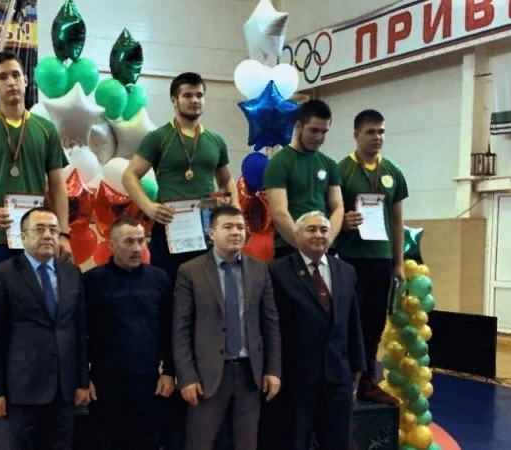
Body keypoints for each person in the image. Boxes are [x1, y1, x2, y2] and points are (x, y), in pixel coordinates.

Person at [121, 71, 240, 450]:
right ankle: (171, 371)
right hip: (170, 232)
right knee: (172, 305)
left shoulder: (216, 141)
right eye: (187, 95)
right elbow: (130, 176)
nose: (195, 101)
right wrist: (148, 207)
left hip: (205, 234)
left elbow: (227, 181)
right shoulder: (159, 138)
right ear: (174, 100)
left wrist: (232, 209)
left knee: (209, 304)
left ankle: (209, 369)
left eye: (199, 95)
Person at [0, 207, 91, 450]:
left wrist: (82, 381)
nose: (48, 235)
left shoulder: (72, 273)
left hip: (63, 393)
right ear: (23, 236)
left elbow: (79, 331)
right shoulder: (0, 275)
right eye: (39, 229)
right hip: (18, 395)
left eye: (53, 230)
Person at [173, 205, 282, 450]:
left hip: (250, 372)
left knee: (246, 443)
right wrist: (187, 376)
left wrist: (273, 370)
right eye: (228, 227)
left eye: (240, 227)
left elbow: (270, 323)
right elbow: (181, 329)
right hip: (207, 374)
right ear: (211, 233)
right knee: (199, 442)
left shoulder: (259, 269)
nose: (236, 232)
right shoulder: (190, 271)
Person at [0, 50, 72, 268]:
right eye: (2, 77)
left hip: (40, 233)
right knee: (0, 289)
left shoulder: (46, 129)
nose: (11, 82)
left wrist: (63, 233)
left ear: (26, 80)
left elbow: (58, 184)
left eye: (15, 75)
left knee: (40, 289)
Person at [268, 211, 366, 450]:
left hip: (338, 376)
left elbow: (353, 323)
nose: (319, 235)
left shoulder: (346, 271)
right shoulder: (276, 271)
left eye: (324, 230)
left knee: (338, 442)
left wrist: (357, 369)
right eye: (311, 229)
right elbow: (271, 327)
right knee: (294, 441)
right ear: (296, 235)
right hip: (296, 377)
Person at [332, 109, 407, 405]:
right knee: (349, 321)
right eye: (371, 132)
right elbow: (330, 213)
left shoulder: (392, 172)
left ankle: (367, 381)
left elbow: (398, 221)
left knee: (375, 322)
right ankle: (344, 379)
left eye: (381, 132)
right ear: (356, 135)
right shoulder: (341, 170)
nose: (378, 137)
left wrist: (398, 263)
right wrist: (342, 222)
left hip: (381, 258)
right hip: (349, 258)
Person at [82, 216, 176, 450]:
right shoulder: (92, 281)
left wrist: (169, 372)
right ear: (112, 246)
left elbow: (169, 328)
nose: (137, 248)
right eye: (129, 242)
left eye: (141, 241)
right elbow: (81, 333)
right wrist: (83, 377)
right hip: (104, 384)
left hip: (150, 381)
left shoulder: (159, 279)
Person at [263, 99, 344, 258]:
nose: (318, 137)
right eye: (313, 130)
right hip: (289, 247)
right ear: (298, 125)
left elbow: (338, 208)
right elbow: (279, 213)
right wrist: (305, 246)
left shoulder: (329, 164)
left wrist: (326, 241)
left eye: (324, 132)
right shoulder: (279, 163)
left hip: (324, 249)